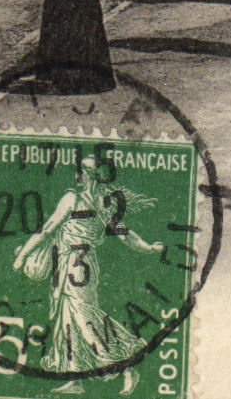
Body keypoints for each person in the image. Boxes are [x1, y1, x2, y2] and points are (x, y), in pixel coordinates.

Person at [10, 155, 164, 395]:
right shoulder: (104, 204)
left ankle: (126, 366)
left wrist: (22, 256)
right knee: (68, 320)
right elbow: (126, 235)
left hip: (75, 266)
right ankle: (75, 378)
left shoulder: (74, 198)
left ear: (89, 175)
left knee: (83, 319)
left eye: (80, 171)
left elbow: (48, 228)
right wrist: (149, 248)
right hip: (77, 266)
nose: (76, 176)